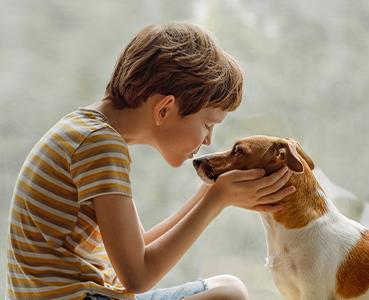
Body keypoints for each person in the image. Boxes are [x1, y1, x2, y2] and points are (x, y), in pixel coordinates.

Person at [6, 22, 296, 300]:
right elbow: (137, 276)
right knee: (229, 294)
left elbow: (137, 248)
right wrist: (215, 202)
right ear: (164, 109)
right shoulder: (101, 146)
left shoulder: (86, 132)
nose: (208, 140)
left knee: (226, 288)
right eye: (208, 124)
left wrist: (207, 193)